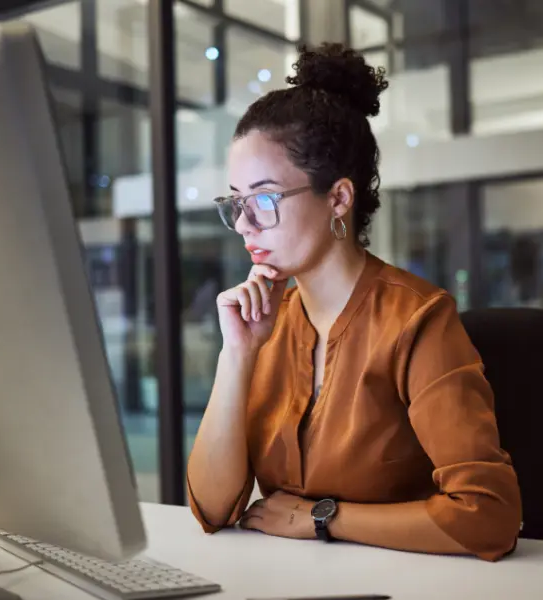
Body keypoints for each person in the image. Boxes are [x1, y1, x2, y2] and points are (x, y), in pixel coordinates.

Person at [186, 43, 522, 562]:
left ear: (339, 198)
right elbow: (212, 509)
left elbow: (490, 517)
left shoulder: (418, 320)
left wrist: (322, 518)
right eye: (236, 202)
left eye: (266, 198)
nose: (246, 223)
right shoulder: (268, 323)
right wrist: (238, 354)